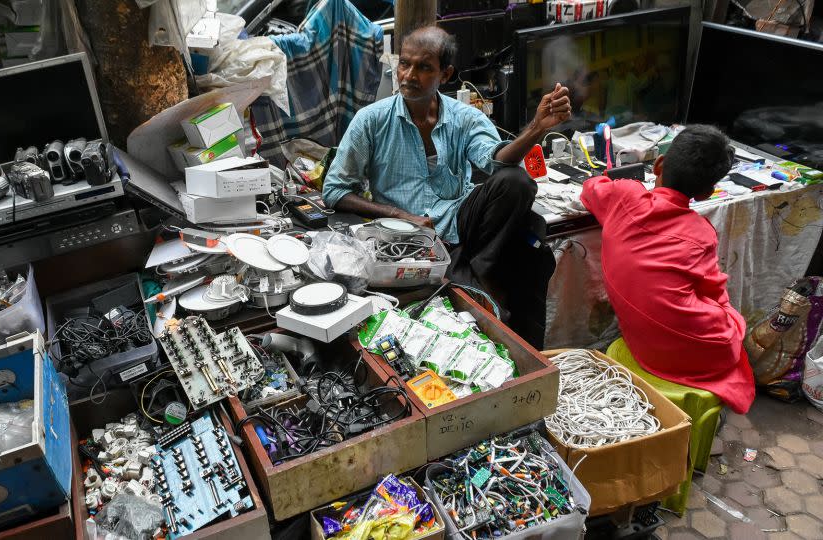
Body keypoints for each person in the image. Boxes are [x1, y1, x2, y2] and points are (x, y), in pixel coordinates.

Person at [321, 26, 571, 347]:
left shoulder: (465, 118)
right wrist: (400, 215)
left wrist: (537, 128)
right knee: (487, 314)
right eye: (405, 64)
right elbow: (335, 191)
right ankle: (471, 276)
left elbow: (498, 163)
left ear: (446, 73)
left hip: (461, 224)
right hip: (407, 240)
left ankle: (478, 269)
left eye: (424, 67)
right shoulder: (371, 121)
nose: (409, 75)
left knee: (515, 181)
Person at [580, 125, 755, 413]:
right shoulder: (701, 233)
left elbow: (591, 187)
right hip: (690, 350)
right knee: (734, 324)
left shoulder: (623, 195)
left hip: (641, 341)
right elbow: (715, 295)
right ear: (707, 193)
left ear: (659, 164)